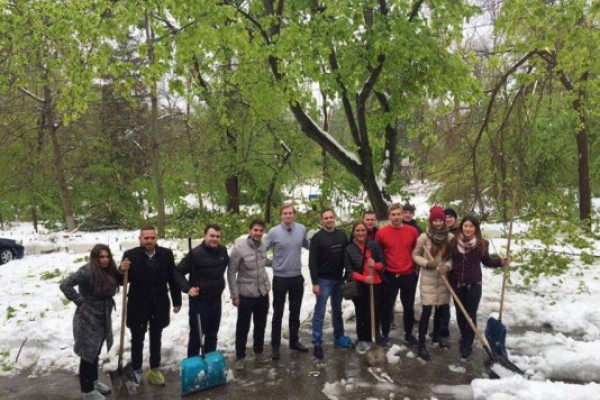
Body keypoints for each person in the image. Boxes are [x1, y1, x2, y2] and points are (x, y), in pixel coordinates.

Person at [60, 244, 125, 400]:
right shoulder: (86, 271)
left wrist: (122, 271)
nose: (105, 260)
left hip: (102, 315)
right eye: (101, 257)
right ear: (95, 258)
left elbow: (119, 281)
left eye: (107, 256)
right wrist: (79, 301)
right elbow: (65, 284)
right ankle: (87, 391)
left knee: (95, 351)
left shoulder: (109, 270)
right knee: (87, 353)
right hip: (87, 317)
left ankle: (94, 382)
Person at [120, 225, 182, 386]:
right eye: (146, 238)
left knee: (156, 337)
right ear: (140, 239)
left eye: (152, 238)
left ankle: (154, 369)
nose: (149, 241)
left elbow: (172, 278)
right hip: (137, 303)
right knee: (137, 338)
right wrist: (121, 270)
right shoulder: (130, 255)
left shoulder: (166, 255)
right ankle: (137, 369)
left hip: (159, 303)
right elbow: (122, 281)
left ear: (156, 238)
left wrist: (177, 301)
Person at [449, 215, 509, 358]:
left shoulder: (482, 243)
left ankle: (467, 343)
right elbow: (447, 258)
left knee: (470, 314)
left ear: (475, 228)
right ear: (461, 227)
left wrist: (501, 261)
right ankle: (464, 336)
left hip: (474, 284)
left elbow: (487, 261)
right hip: (456, 283)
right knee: (460, 313)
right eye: (465, 226)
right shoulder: (453, 242)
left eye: (471, 226)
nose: (468, 229)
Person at [175, 224, 229, 358]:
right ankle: (193, 365)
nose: (215, 239)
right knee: (197, 335)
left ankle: (210, 364)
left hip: (216, 299)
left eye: (218, 236)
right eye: (212, 236)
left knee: (212, 334)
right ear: (205, 236)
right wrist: (188, 288)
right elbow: (177, 272)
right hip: (200, 301)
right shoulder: (195, 254)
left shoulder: (223, 251)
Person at [266, 203, 310, 360]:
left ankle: (294, 341)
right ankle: (275, 346)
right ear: (281, 215)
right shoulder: (273, 232)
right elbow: (261, 250)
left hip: (296, 277)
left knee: (295, 312)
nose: (288, 216)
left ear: (295, 214)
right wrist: (272, 264)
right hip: (280, 279)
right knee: (278, 313)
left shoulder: (301, 229)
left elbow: (308, 245)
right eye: (285, 213)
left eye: (291, 213)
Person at [227, 220, 271, 369]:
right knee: (243, 326)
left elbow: (265, 262)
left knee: (260, 324)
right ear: (250, 230)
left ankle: (258, 352)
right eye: (255, 230)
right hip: (245, 294)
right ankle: (240, 356)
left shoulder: (264, 246)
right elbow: (231, 272)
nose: (258, 233)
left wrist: (281, 261)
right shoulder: (239, 249)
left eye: (260, 231)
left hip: (262, 292)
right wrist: (234, 295)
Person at [375, 203, 420, 346]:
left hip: (408, 275)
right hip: (390, 275)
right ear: (389, 216)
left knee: (408, 306)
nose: (396, 217)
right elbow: (378, 252)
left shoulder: (412, 231)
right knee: (387, 306)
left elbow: (417, 251)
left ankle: (408, 333)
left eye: (398, 214)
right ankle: (385, 334)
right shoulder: (381, 233)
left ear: (402, 215)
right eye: (393, 214)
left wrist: (416, 270)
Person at [309, 208, 351, 359]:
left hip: (338, 279)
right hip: (323, 280)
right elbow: (312, 262)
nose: (329, 220)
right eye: (325, 218)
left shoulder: (341, 235)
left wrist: (347, 273)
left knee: (337, 310)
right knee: (320, 312)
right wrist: (315, 282)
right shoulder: (317, 238)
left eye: (331, 217)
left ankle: (339, 337)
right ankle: (317, 342)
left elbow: (347, 256)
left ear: (335, 218)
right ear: (321, 220)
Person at [412, 206, 453, 361]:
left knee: (441, 310)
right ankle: (421, 344)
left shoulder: (449, 237)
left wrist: (447, 266)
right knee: (427, 311)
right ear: (431, 221)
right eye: (435, 220)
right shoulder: (424, 237)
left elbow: (452, 258)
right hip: (428, 279)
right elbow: (415, 255)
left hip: (443, 279)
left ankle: (437, 337)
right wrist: (427, 262)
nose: (437, 223)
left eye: (440, 220)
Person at [344, 221, 386, 354]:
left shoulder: (373, 245)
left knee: (374, 312)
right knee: (361, 313)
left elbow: (383, 263)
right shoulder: (349, 249)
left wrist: (376, 265)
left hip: (376, 283)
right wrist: (364, 278)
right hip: (359, 285)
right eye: (358, 230)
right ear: (353, 232)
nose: (361, 233)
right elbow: (349, 271)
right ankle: (362, 339)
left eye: (363, 230)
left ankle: (374, 337)